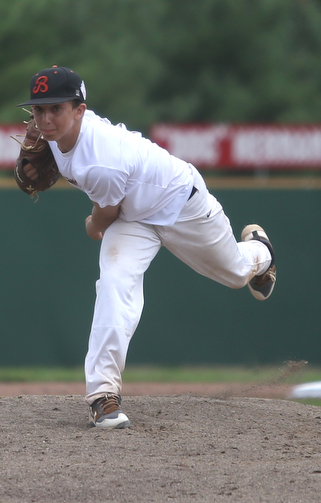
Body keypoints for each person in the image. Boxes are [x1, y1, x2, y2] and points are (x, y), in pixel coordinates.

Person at [17, 66, 276, 429]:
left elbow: (103, 214)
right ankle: (102, 396)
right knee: (114, 285)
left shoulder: (100, 159)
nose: (45, 119)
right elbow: (110, 201)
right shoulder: (53, 139)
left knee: (235, 272)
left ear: (80, 109)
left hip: (180, 203)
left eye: (55, 108)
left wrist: (92, 226)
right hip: (133, 217)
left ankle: (261, 253)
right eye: (38, 109)